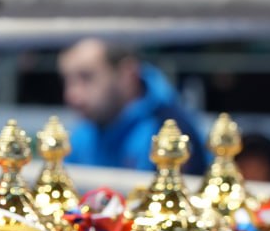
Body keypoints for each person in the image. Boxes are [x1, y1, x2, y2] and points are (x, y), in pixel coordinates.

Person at [57, 38, 206, 174]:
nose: (71, 95)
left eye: (87, 77)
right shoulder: (84, 131)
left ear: (127, 74)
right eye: (66, 81)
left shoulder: (171, 129)